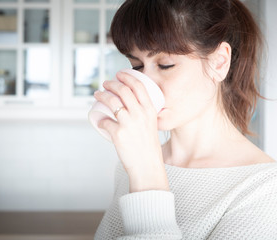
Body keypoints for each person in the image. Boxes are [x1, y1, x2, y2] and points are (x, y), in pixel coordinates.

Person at [93, 0, 277, 239]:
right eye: (136, 65)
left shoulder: (263, 190)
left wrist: (147, 175)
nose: (144, 83)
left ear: (219, 62)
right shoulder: (130, 165)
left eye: (165, 65)